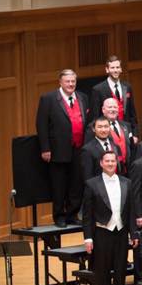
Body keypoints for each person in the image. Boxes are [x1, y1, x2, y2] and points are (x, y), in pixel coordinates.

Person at [82, 151, 133, 285]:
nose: (111, 163)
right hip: (102, 231)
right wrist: (88, 238)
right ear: (101, 164)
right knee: (102, 270)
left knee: (120, 269)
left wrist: (134, 234)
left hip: (121, 231)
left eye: (113, 161)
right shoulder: (92, 184)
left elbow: (131, 211)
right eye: (107, 161)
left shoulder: (127, 182)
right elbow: (87, 214)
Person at [37, 69, 89, 226]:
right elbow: (41, 125)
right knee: (59, 184)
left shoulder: (83, 97)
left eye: (73, 81)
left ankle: (72, 214)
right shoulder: (49, 98)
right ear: (60, 82)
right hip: (58, 149)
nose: (71, 84)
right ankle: (59, 216)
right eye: (67, 81)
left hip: (79, 148)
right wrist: (45, 148)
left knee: (76, 183)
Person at [89, 55, 136, 127]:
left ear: (121, 69)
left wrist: (134, 133)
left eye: (117, 67)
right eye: (112, 68)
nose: (115, 70)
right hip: (107, 130)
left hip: (126, 129)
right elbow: (95, 116)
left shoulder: (127, 87)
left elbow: (132, 112)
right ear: (107, 69)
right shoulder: (98, 89)